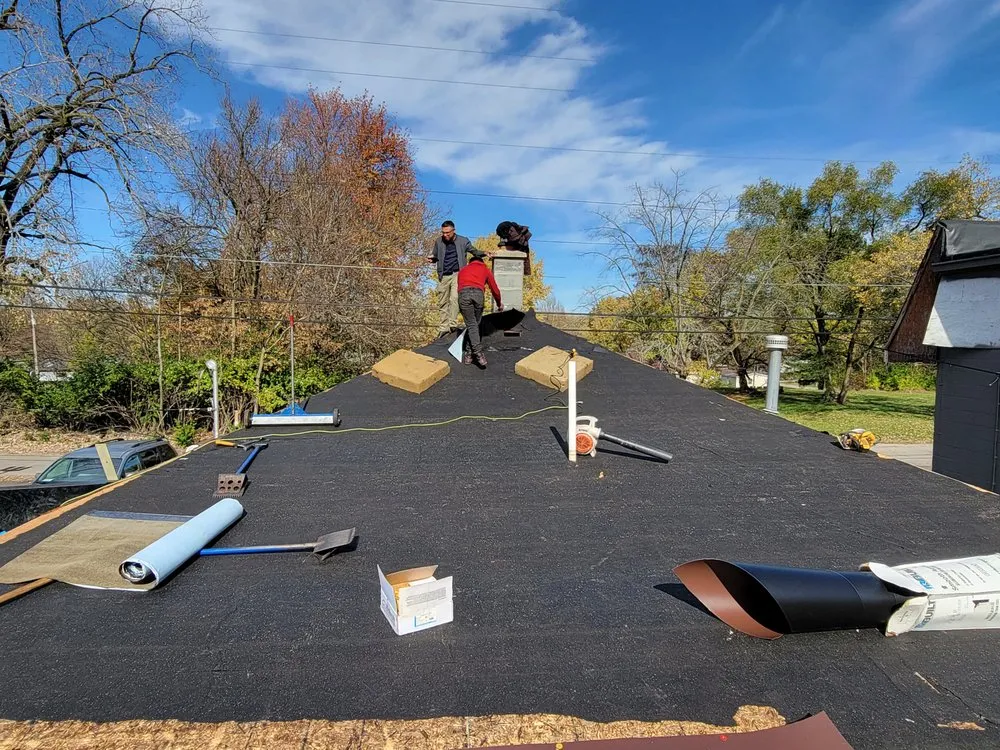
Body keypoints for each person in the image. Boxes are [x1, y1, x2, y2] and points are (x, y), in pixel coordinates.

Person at [427, 220, 483, 337]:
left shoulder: (463, 241)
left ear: (453, 231)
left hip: (458, 274)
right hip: (444, 275)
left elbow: (474, 251)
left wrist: (485, 253)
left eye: (447, 232)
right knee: (443, 301)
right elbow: (435, 256)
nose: (445, 235)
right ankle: (443, 328)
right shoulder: (439, 241)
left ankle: (452, 325)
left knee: (454, 299)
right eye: (443, 232)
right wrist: (432, 259)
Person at [456, 255, 503, 368]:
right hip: (478, 295)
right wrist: (498, 303)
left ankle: (468, 354)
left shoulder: (463, 270)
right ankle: (478, 352)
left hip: (463, 295)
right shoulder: (484, 269)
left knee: (472, 325)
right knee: (474, 325)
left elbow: (460, 286)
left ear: (470, 262)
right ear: (481, 262)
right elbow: (494, 289)